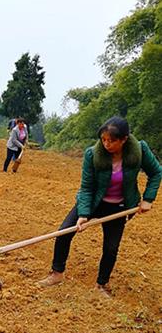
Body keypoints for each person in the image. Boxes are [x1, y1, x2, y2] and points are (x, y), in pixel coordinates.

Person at [38, 116, 161, 296]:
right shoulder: (92, 154)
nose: (106, 144)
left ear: (124, 139)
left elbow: (156, 172)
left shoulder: (139, 150)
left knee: (111, 248)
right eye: (103, 140)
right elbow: (87, 187)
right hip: (94, 201)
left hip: (119, 206)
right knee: (64, 232)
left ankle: (100, 285)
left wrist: (148, 199)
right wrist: (84, 213)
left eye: (111, 141)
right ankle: (57, 274)